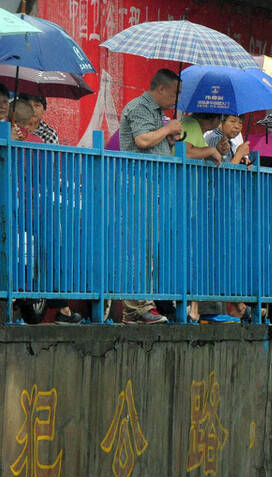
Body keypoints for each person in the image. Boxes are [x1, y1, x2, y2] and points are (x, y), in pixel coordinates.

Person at [118, 69, 184, 324]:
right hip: (139, 185)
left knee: (150, 248)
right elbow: (143, 140)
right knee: (139, 248)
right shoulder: (139, 107)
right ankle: (137, 307)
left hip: (154, 187)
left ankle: (139, 307)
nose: (176, 99)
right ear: (161, 89)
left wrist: (170, 137)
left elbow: (155, 145)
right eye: (175, 93)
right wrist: (167, 130)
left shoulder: (157, 114)